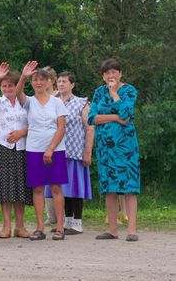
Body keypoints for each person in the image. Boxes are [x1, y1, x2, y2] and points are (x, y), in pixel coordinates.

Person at [88, 58, 140, 242]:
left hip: (125, 147)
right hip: (105, 148)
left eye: (114, 72)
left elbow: (126, 117)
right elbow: (92, 118)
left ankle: (132, 230)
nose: (111, 75)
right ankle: (112, 229)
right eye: (107, 73)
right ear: (103, 76)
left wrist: (114, 94)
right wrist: (115, 117)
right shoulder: (98, 92)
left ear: (120, 73)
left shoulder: (129, 90)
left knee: (129, 187)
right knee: (109, 187)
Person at [15, 61, 68, 241]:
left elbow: (61, 128)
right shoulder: (29, 102)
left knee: (56, 187)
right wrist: (23, 75)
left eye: (42, 80)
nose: (39, 82)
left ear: (48, 82)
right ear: (32, 82)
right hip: (34, 149)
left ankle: (60, 227)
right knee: (37, 188)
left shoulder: (57, 102)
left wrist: (51, 149)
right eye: (35, 79)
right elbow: (16, 93)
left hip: (56, 150)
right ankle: (39, 227)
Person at [0, 63, 32, 239]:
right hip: (2, 148)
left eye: (10, 85)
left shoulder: (26, 102)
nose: (7, 89)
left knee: (20, 188)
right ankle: (6, 226)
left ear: (16, 86)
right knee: (5, 188)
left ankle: (20, 226)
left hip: (22, 148)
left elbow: (36, 124)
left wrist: (22, 132)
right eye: (4, 86)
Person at [53, 71, 94, 235]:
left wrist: (88, 152)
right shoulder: (53, 102)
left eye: (64, 81)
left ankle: (77, 223)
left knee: (75, 188)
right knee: (62, 188)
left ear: (72, 84)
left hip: (75, 151)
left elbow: (90, 128)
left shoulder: (82, 103)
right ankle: (66, 222)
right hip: (57, 151)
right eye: (59, 81)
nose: (61, 84)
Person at [43, 66, 59, 226]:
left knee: (57, 180)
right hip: (41, 142)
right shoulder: (38, 98)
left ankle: (62, 214)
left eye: (46, 78)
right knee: (45, 180)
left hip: (58, 142)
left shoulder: (59, 97)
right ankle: (50, 214)